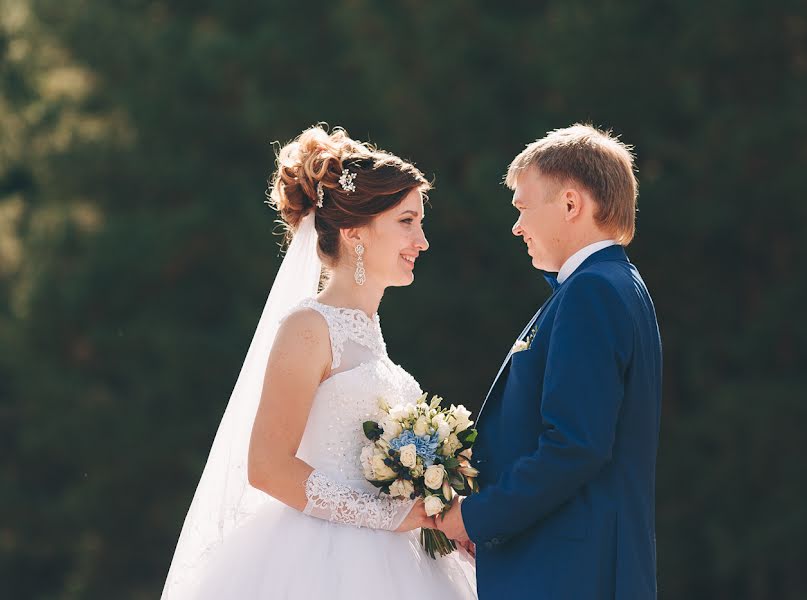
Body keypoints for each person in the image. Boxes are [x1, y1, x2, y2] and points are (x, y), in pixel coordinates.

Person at [162, 125, 476, 599]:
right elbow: (266, 466)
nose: (422, 241)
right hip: (320, 564)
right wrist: (386, 515)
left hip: (395, 558)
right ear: (355, 234)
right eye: (407, 221)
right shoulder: (309, 327)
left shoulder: (368, 331)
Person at [436, 124, 663, 599]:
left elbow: (575, 445)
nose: (516, 226)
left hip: (570, 573)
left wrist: (477, 518)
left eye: (522, 207)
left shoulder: (591, 292)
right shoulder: (613, 284)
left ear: (570, 204)